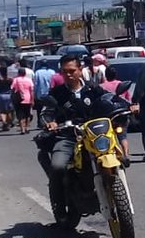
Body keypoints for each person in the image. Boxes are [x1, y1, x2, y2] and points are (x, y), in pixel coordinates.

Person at [36, 55, 115, 221]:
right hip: (68, 137)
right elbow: (45, 113)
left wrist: (130, 106)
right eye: (65, 72)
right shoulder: (57, 94)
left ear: (80, 70)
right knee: (57, 167)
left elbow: (111, 100)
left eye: (72, 71)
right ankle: (59, 207)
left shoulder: (93, 89)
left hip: (93, 136)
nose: (69, 75)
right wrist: (50, 122)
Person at [12, 67, 35, 134]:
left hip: (19, 99)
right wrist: (32, 99)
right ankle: (27, 127)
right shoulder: (29, 80)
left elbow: (12, 88)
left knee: (20, 115)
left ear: (18, 73)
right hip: (28, 98)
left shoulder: (16, 79)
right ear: (25, 73)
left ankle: (22, 129)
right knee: (27, 114)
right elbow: (32, 91)